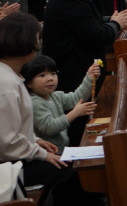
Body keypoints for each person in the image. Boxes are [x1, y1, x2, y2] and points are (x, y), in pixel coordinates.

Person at [41, 0, 127, 146]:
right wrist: (115, 24)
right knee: (77, 131)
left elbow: (85, 22)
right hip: (73, 75)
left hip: (80, 71)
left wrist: (111, 21)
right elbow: (95, 35)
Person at [0, 13, 74, 202]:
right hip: (7, 165)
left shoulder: (11, 75)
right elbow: (7, 142)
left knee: (65, 162)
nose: (39, 43)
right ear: (23, 41)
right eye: (36, 37)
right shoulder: (6, 84)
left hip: (13, 156)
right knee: (67, 169)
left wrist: (36, 140)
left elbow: (11, 127)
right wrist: (41, 154)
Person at [25, 56, 99, 152]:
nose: (50, 79)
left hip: (62, 150)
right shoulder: (34, 102)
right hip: (48, 154)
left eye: (53, 73)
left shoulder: (55, 95)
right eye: (42, 75)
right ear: (29, 83)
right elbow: (50, 127)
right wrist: (75, 113)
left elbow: (76, 98)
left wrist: (89, 77)